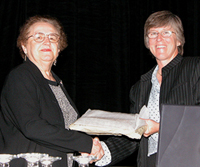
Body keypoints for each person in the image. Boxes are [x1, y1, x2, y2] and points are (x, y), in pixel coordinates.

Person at [94, 10, 200, 167]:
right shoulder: (139, 87)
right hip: (150, 161)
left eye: (166, 32)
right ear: (147, 41)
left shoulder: (195, 68)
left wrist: (160, 127)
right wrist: (101, 150)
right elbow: (132, 136)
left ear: (178, 40)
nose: (159, 38)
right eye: (153, 33)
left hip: (188, 159)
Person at [0, 15, 104, 167]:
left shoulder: (56, 82)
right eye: (38, 37)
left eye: (53, 37)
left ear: (59, 47)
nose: (46, 41)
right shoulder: (20, 76)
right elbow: (32, 126)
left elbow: (64, 130)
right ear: (24, 46)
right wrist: (85, 143)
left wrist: (89, 142)